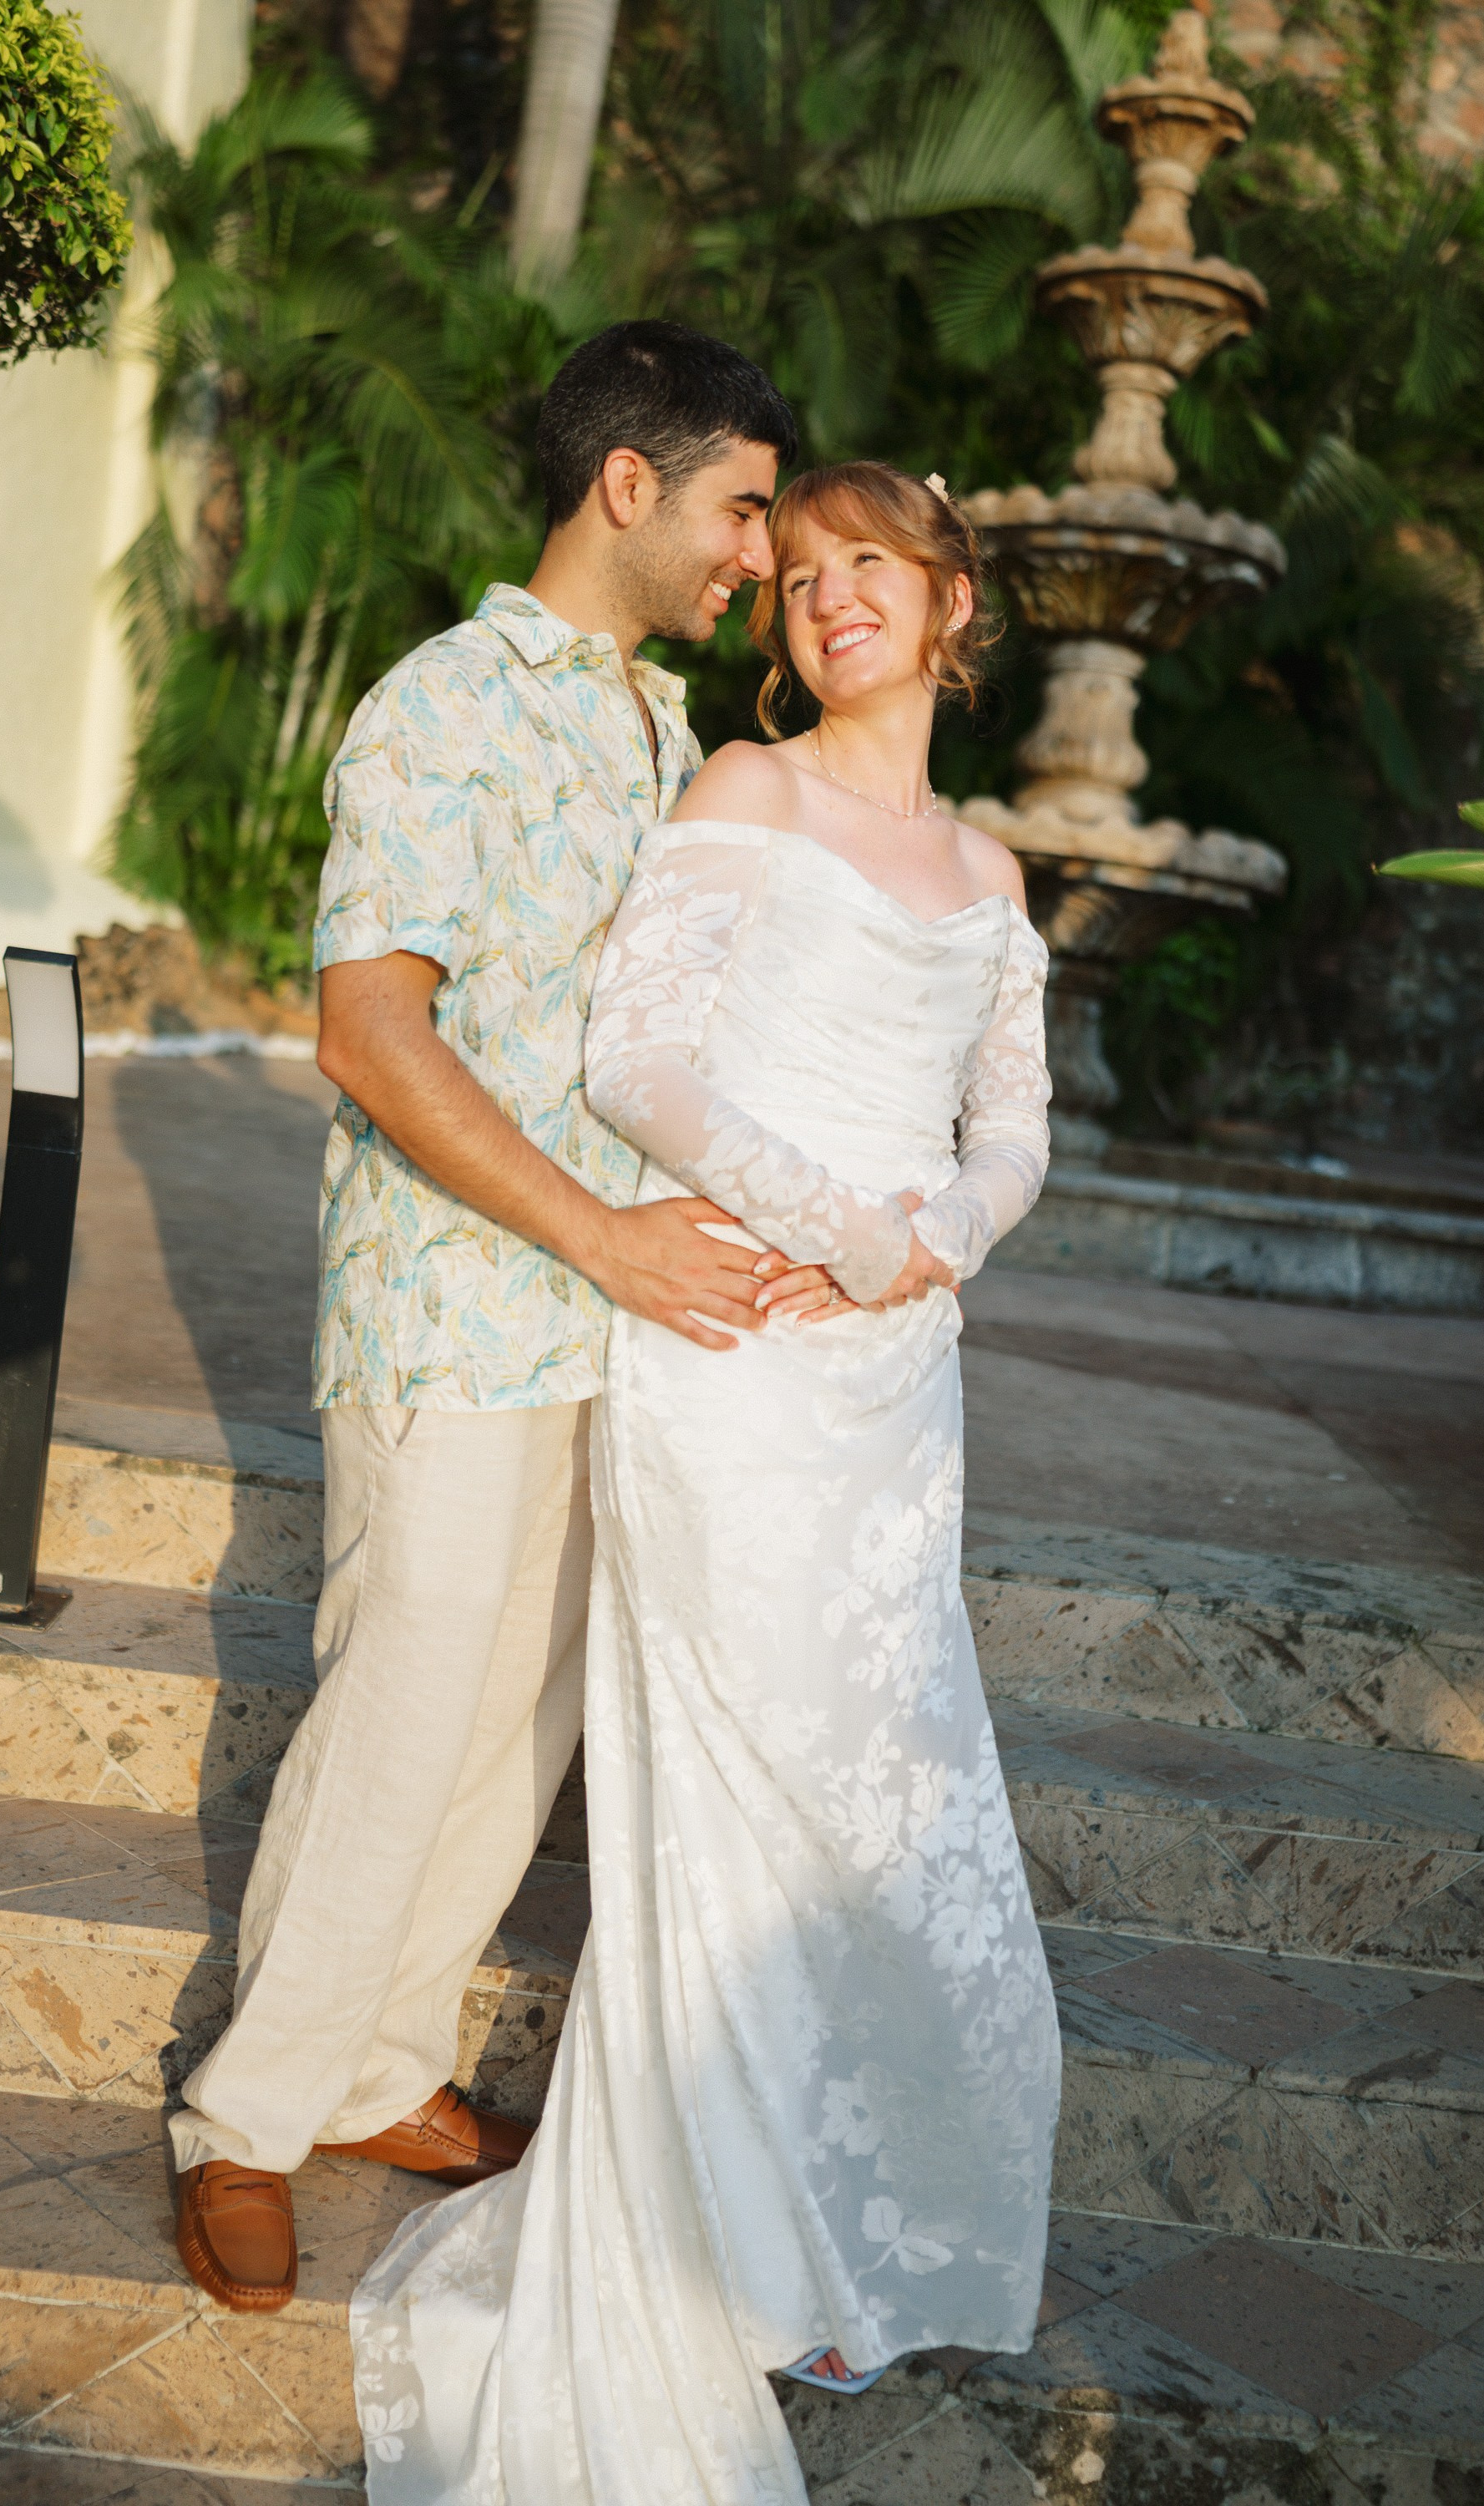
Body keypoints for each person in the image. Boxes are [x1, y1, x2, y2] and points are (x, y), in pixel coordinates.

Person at [348, 459, 1063, 2500]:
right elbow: (635, 1068)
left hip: (897, 1384)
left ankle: (852, 2223)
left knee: (876, 1784)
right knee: (737, 1790)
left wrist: (951, 1233)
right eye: (805, 573)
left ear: (947, 608)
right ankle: (727, 2245)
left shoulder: (994, 878)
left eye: (872, 569)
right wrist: (838, 1222)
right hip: (740, 1352)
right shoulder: (744, 801)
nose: (830, 597)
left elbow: (1016, 1124)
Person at [169, 322, 839, 2311]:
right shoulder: (442, 708)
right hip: (460, 1307)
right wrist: (602, 1237)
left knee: (514, 1731)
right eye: (738, 510)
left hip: (611, 1334)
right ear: (624, 484)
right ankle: (247, 2119)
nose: (755, 556)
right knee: (402, 1713)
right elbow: (371, 1034)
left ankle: (381, 2066)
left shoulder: (655, 732)